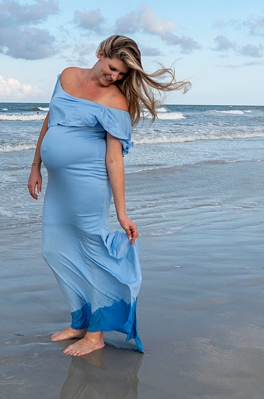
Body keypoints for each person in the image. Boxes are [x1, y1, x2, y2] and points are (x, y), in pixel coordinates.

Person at [28, 35, 189, 356]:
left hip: (89, 183)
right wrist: (36, 166)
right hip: (59, 185)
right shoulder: (66, 76)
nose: (114, 77)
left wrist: (122, 212)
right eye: (113, 68)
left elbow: (114, 158)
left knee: (96, 252)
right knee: (54, 249)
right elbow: (51, 119)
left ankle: (96, 334)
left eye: (121, 74)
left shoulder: (115, 101)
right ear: (100, 54)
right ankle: (80, 322)